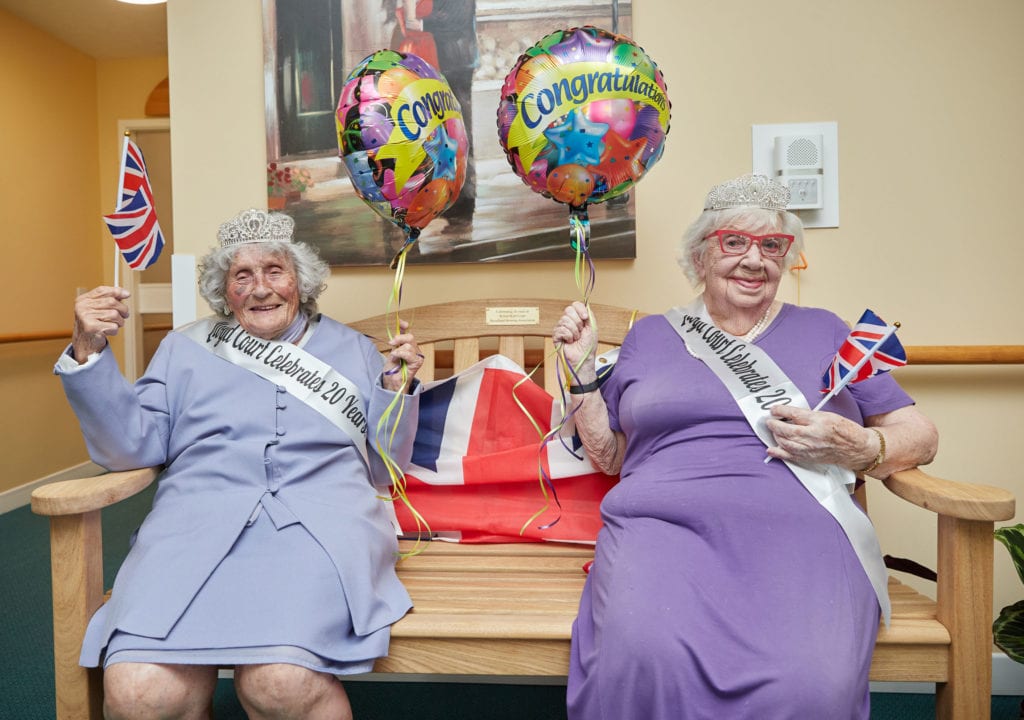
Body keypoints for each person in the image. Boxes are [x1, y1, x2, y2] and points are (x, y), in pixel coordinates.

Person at [552, 174, 938, 720]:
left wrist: (858, 445)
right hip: (663, 532)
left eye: (772, 246)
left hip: (802, 536)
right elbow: (611, 457)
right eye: (736, 242)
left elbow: (920, 435)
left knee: (811, 684)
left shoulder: (829, 332)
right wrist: (582, 371)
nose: (755, 261)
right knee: (643, 658)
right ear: (700, 254)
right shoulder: (651, 337)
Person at [56, 208, 424, 720]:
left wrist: (394, 390)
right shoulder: (183, 349)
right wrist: (88, 348)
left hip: (320, 525)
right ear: (223, 290)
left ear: (301, 280)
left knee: (281, 686)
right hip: (193, 525)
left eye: (274, 271)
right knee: (140, 694)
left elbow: (388, 468)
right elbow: (128, 448)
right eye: (241, 276)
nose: (260, 289)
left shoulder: (356, 349)